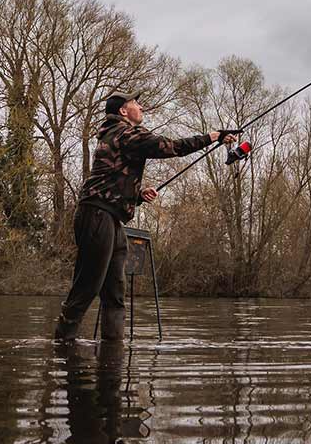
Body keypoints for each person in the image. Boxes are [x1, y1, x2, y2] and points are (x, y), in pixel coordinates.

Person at [54, 91, 234, 342]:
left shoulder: (116, 135)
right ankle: (61, 348)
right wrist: (213, 137)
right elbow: (173, 147)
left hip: (110, 218)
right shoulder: (125, 133)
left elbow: (111, 179)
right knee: (86, 287)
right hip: (97, 216)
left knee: (115, 294)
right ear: (123, 112)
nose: (140, 106)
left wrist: (136, 195)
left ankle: (112, 354)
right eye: (135, 103)